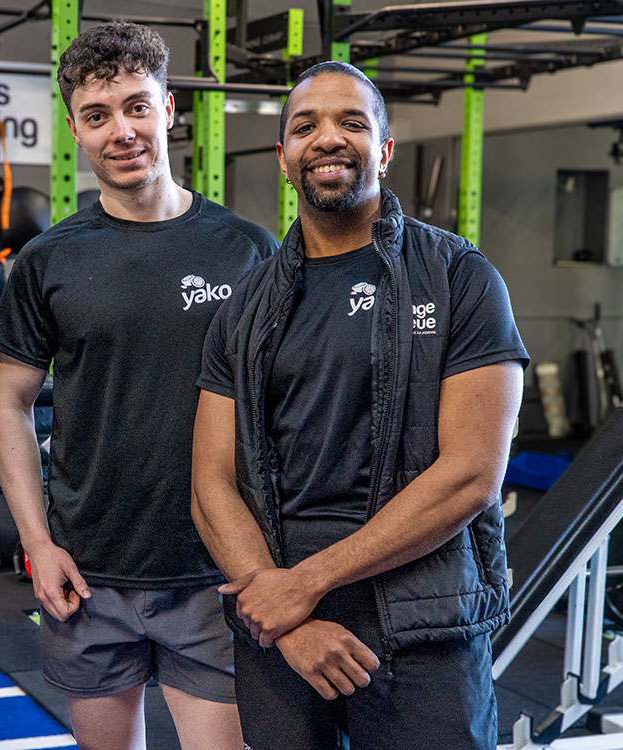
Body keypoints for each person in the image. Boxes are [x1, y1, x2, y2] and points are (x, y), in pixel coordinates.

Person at [192, 61, 528, 749]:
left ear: (384, 148)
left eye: (352, 122)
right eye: (305, 126)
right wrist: (285, 612)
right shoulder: (245, 306)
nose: (328, 138)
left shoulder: (459, 278)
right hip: (280, 625)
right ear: (283, 156)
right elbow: (211, 483)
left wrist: (302, 585)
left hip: (419, 619)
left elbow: (472, 472)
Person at [0, 22, 277, 750]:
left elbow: (284, 408)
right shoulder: (48, 261)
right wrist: (36, 542)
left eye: (137, 106)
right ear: (75, 130)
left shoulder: (247, 251)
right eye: (98, 115)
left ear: (168, 109)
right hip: (88, 575)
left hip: (213, 571)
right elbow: (10, 402)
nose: (122, 131)